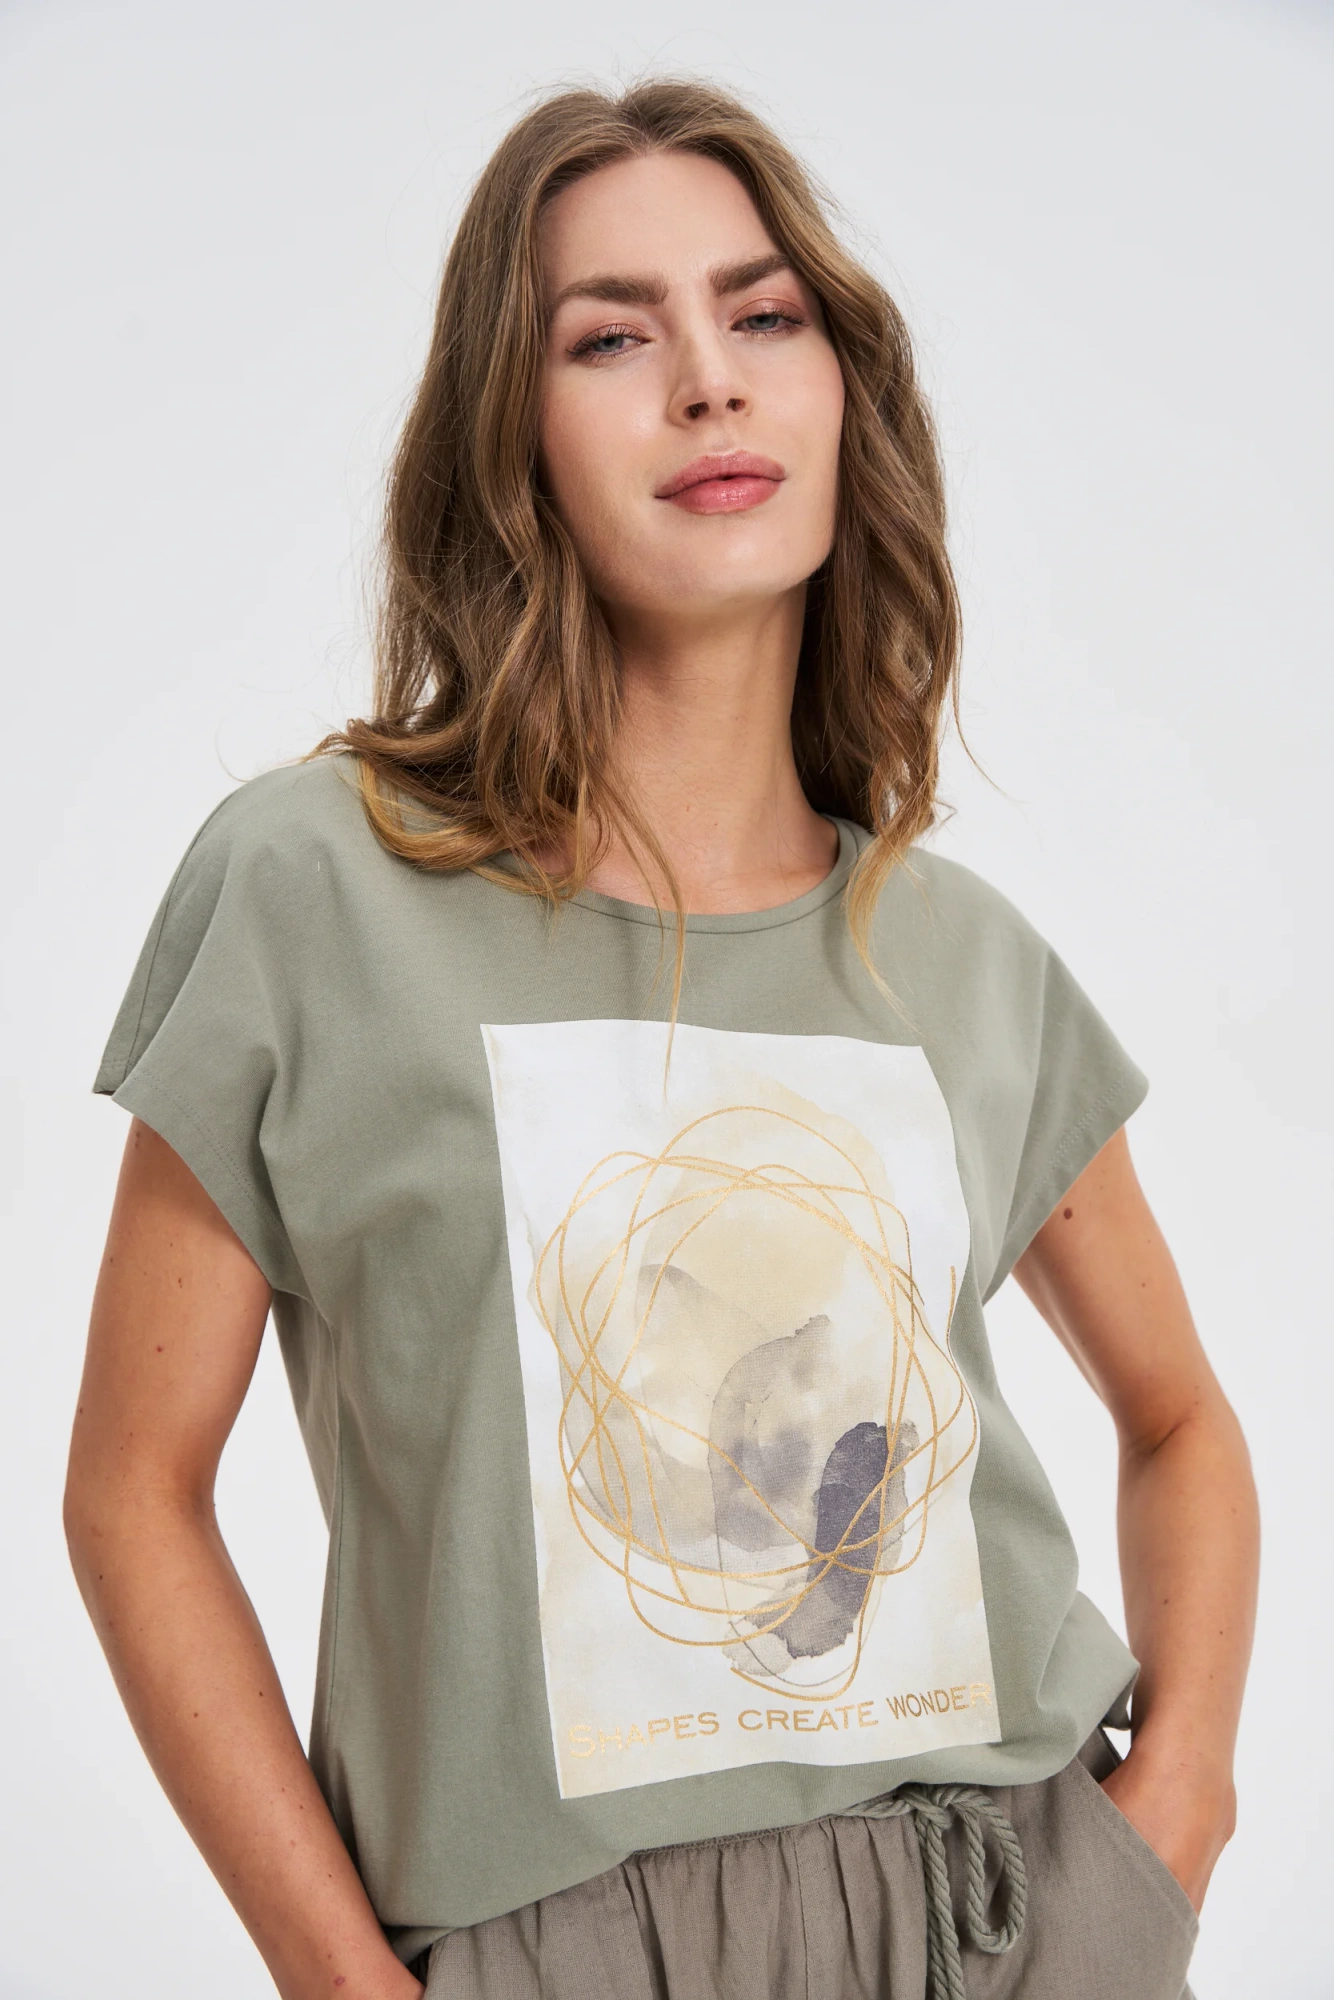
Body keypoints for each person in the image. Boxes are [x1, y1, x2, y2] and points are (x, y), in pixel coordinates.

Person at [64, 77, 1258, 2000]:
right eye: (610, 338)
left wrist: (1172, 1815)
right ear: (510, 435)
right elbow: (134, 1490)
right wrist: (343, 1982)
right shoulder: (314, 891)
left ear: (841, 391)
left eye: (761, 315)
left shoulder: (960, 958)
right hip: (556, 1947)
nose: (708, 381)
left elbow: (1181, 1418)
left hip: (1001, 1913)